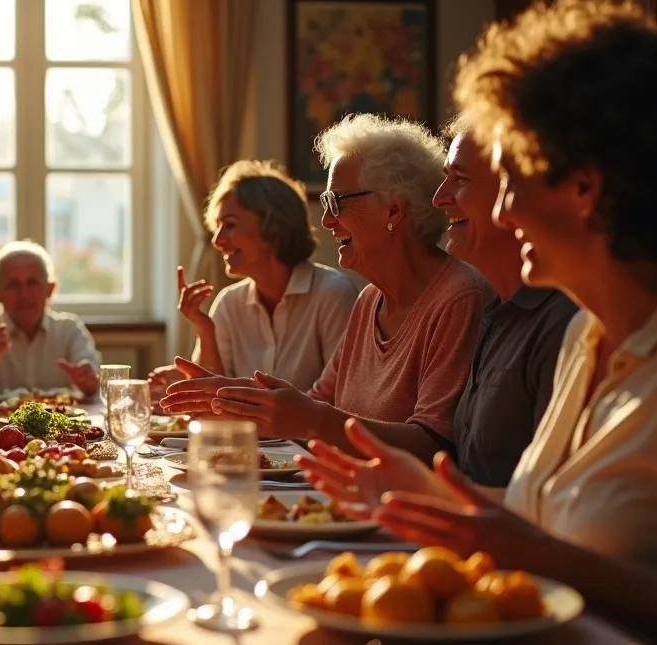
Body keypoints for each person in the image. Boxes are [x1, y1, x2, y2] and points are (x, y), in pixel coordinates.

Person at [299, 0, 657, 644]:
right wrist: (429, 492)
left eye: (510, 178)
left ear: (584, 188)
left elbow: (549, 552)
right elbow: (539, 519)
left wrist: (539, 558)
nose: (504, 213)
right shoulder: (586, 334)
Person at [162, 114, 494, 462]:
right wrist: (235, 402)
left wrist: (310, 419)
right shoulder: (370, 300)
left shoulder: (459, 297)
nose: (326, 221)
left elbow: (434, 447)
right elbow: (317, 404)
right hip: (343, 498)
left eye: (337, 202)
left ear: (393, 210)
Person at [431, 119, 578, 486]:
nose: (438, 198)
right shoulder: (496, 309)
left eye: (460, 179)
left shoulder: (564, 321)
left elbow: (549, 504)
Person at [147, 160, 357, 398]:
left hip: (308, 437)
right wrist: (205, 330)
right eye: (217, 227)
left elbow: (342, 398)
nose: (217, 240)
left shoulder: (333, 295)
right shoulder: (229, 303)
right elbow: (210, 396)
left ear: (274, 227)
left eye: (230, 225)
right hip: (242, 436)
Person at [0, 241, 102, 396]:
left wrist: (88, 379)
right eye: (13, 285)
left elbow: (93, 383)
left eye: (32, 283)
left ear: (50, 289)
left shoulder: (69, 330)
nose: (24, 294)